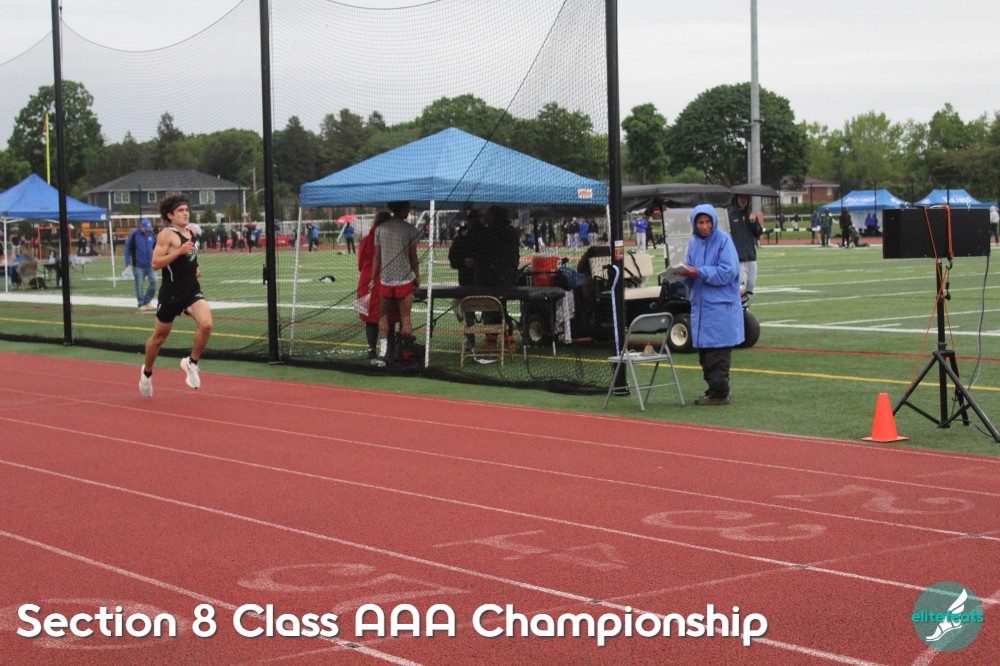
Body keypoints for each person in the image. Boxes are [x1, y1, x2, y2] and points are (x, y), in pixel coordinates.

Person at [139, 195, 213, 398]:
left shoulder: (192, 232)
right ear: (170, 215)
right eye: (180, 210)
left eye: (187, 210)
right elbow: (155, 263)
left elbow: (191, 258)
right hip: (171, 294)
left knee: (206, 325)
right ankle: (147, 373)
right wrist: (179, 252)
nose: (185, 213)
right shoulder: (166, 235)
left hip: (191, 291)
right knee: (159, 337)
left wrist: (195, 268)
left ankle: (191, 362)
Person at [678, 204, 743, 406]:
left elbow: (728, 271)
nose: (704, 226)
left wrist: (699, 272)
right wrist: (683, 274)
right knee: (706, 356)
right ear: (694, 223)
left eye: (707, 221)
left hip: (719, 308)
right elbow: (691, 269)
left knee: (718, 355)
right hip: (701, 308)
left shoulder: (724, 240)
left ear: (714, 221)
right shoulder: (694, 243)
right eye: (700, 222)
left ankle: (720, 394)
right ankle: (714, 391)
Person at [369, 201, 421, 366]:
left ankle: (383, 353)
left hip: (386, 278)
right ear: (402, 209)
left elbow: (377, 256)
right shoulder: (410, 229)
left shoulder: (380, 229)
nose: (409, 210)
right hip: (404, 278)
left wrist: (373, 278)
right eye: (407, 208)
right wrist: (417, 276)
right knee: (405, 317)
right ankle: (405, 353)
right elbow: (413, 256)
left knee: (383, 315)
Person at [473, 205, 520, 354]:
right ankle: (494, 341)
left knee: (498, 309)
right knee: (496, 309)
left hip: (498, 279)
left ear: (493, 215)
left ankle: (508, 342)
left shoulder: (495, 232)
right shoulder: (508, 231)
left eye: (487, 214)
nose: (484, 216)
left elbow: (492, 251)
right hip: (504, 277)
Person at [357, 211, 398, 361]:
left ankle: (372, 348)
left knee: (371, 318)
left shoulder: (366, 240)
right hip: (388, 280)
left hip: (367, 281)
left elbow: (360, 264)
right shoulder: (392, 239)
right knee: (390, 316)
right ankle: (389, 349)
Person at [448, 209, 483, 351]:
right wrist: (463, 262)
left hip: (485, 280)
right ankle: (471, 340)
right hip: (467, 281)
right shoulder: (461, 237)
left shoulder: (486, 235)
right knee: (467, 311)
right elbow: (453, 260)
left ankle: (490, 339)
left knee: (489, 308)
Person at [728, 193, 763, 297]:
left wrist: (754, 222)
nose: (743, 200)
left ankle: (747, 306)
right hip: (738, 258)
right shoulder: (731, 216)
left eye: (745, 198)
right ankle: (739, 305)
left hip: (751, 256)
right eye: (741, 198)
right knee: (741, 287)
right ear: (736, 199)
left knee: (751, 285)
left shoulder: (751, 215)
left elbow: (758, 233)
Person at [124, 219, 158, 310]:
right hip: (138, 265)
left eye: (149, 229)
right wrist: (127, 262)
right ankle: (141, 303)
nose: (147, 231)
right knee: (139, 285)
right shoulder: (134, 234)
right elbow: (127, 248)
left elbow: (156, 247)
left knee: (154, 281)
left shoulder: (152, 234)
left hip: (151, 264)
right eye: (146, 229)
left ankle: (148, 300)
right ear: (141, 227)